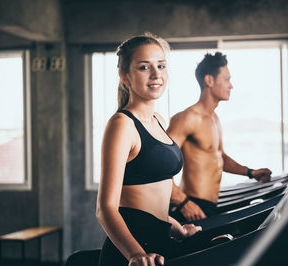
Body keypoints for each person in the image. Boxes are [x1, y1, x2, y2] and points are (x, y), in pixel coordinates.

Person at [96, 33, 201, 266]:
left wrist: (177, 228)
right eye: (144, 67)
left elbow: (153, 200)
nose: (156, 75)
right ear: (125, 76)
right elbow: (106, 209)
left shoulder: (159, 120)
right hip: (133, 252)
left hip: (159, 244)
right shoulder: (122, 125)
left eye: (161, 65)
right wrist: (134, 254)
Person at [167, 52, 272, 222]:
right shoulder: (188, 118)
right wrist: (182, 202)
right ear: (209, 80)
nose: (231, 86)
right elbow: (160, 166)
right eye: (226, 79)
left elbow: (219, 157)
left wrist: (251, 172)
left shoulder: (214, 118)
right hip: (190, 206)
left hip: (208, 206)